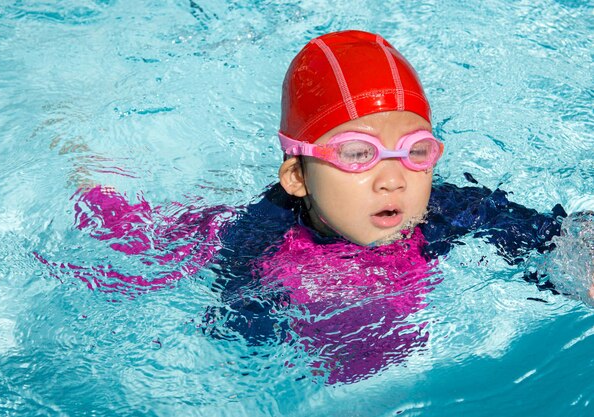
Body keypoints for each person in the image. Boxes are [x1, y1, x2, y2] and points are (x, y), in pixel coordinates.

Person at [37, 30, 594, 384]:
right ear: (297, 177)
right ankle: (78, 159)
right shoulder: (259, 240)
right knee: (133, 233)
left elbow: (544, 239)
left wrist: (576, 271)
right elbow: (237, 333)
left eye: (416, 151)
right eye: (358, 154)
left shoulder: (448, 208)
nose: (393, 179)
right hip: (215, 239)